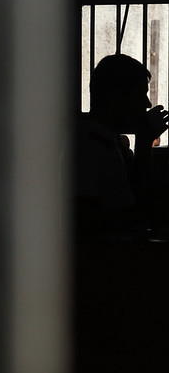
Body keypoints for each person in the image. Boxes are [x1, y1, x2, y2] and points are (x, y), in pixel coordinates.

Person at [74, 54, 169, 239]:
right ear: (117, 97)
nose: (147, 103)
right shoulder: (89, 146)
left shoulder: (103, 141)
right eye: (140, 94)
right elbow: (97, 223)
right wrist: (143, 142)